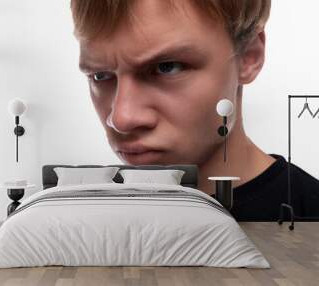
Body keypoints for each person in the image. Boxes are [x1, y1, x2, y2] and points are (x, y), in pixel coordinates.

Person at [69, 0, 319, 221]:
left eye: (167, 67)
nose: (121, 119)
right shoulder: (85, 219)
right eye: (100, 75)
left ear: (248, 56)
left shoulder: (309, 215)